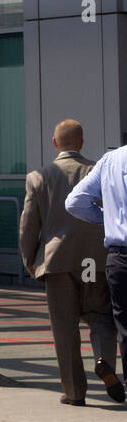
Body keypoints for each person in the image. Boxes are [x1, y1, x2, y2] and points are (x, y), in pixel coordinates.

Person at [22, 119, 122, 406]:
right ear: (81, 142)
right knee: (101, 316)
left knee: (64, 328)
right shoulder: (98, 171)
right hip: (95, 259)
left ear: (55, 143)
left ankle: (75, 392)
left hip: (57, 261)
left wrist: (29, 258)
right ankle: (104, 360)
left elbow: (29, 224)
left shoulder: (39, 176)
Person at [66, 129, 127, 400]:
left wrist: (108, 218)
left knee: (123, 325)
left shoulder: (110, 160)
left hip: (118, 256)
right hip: (99, 262)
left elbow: (74, 202)